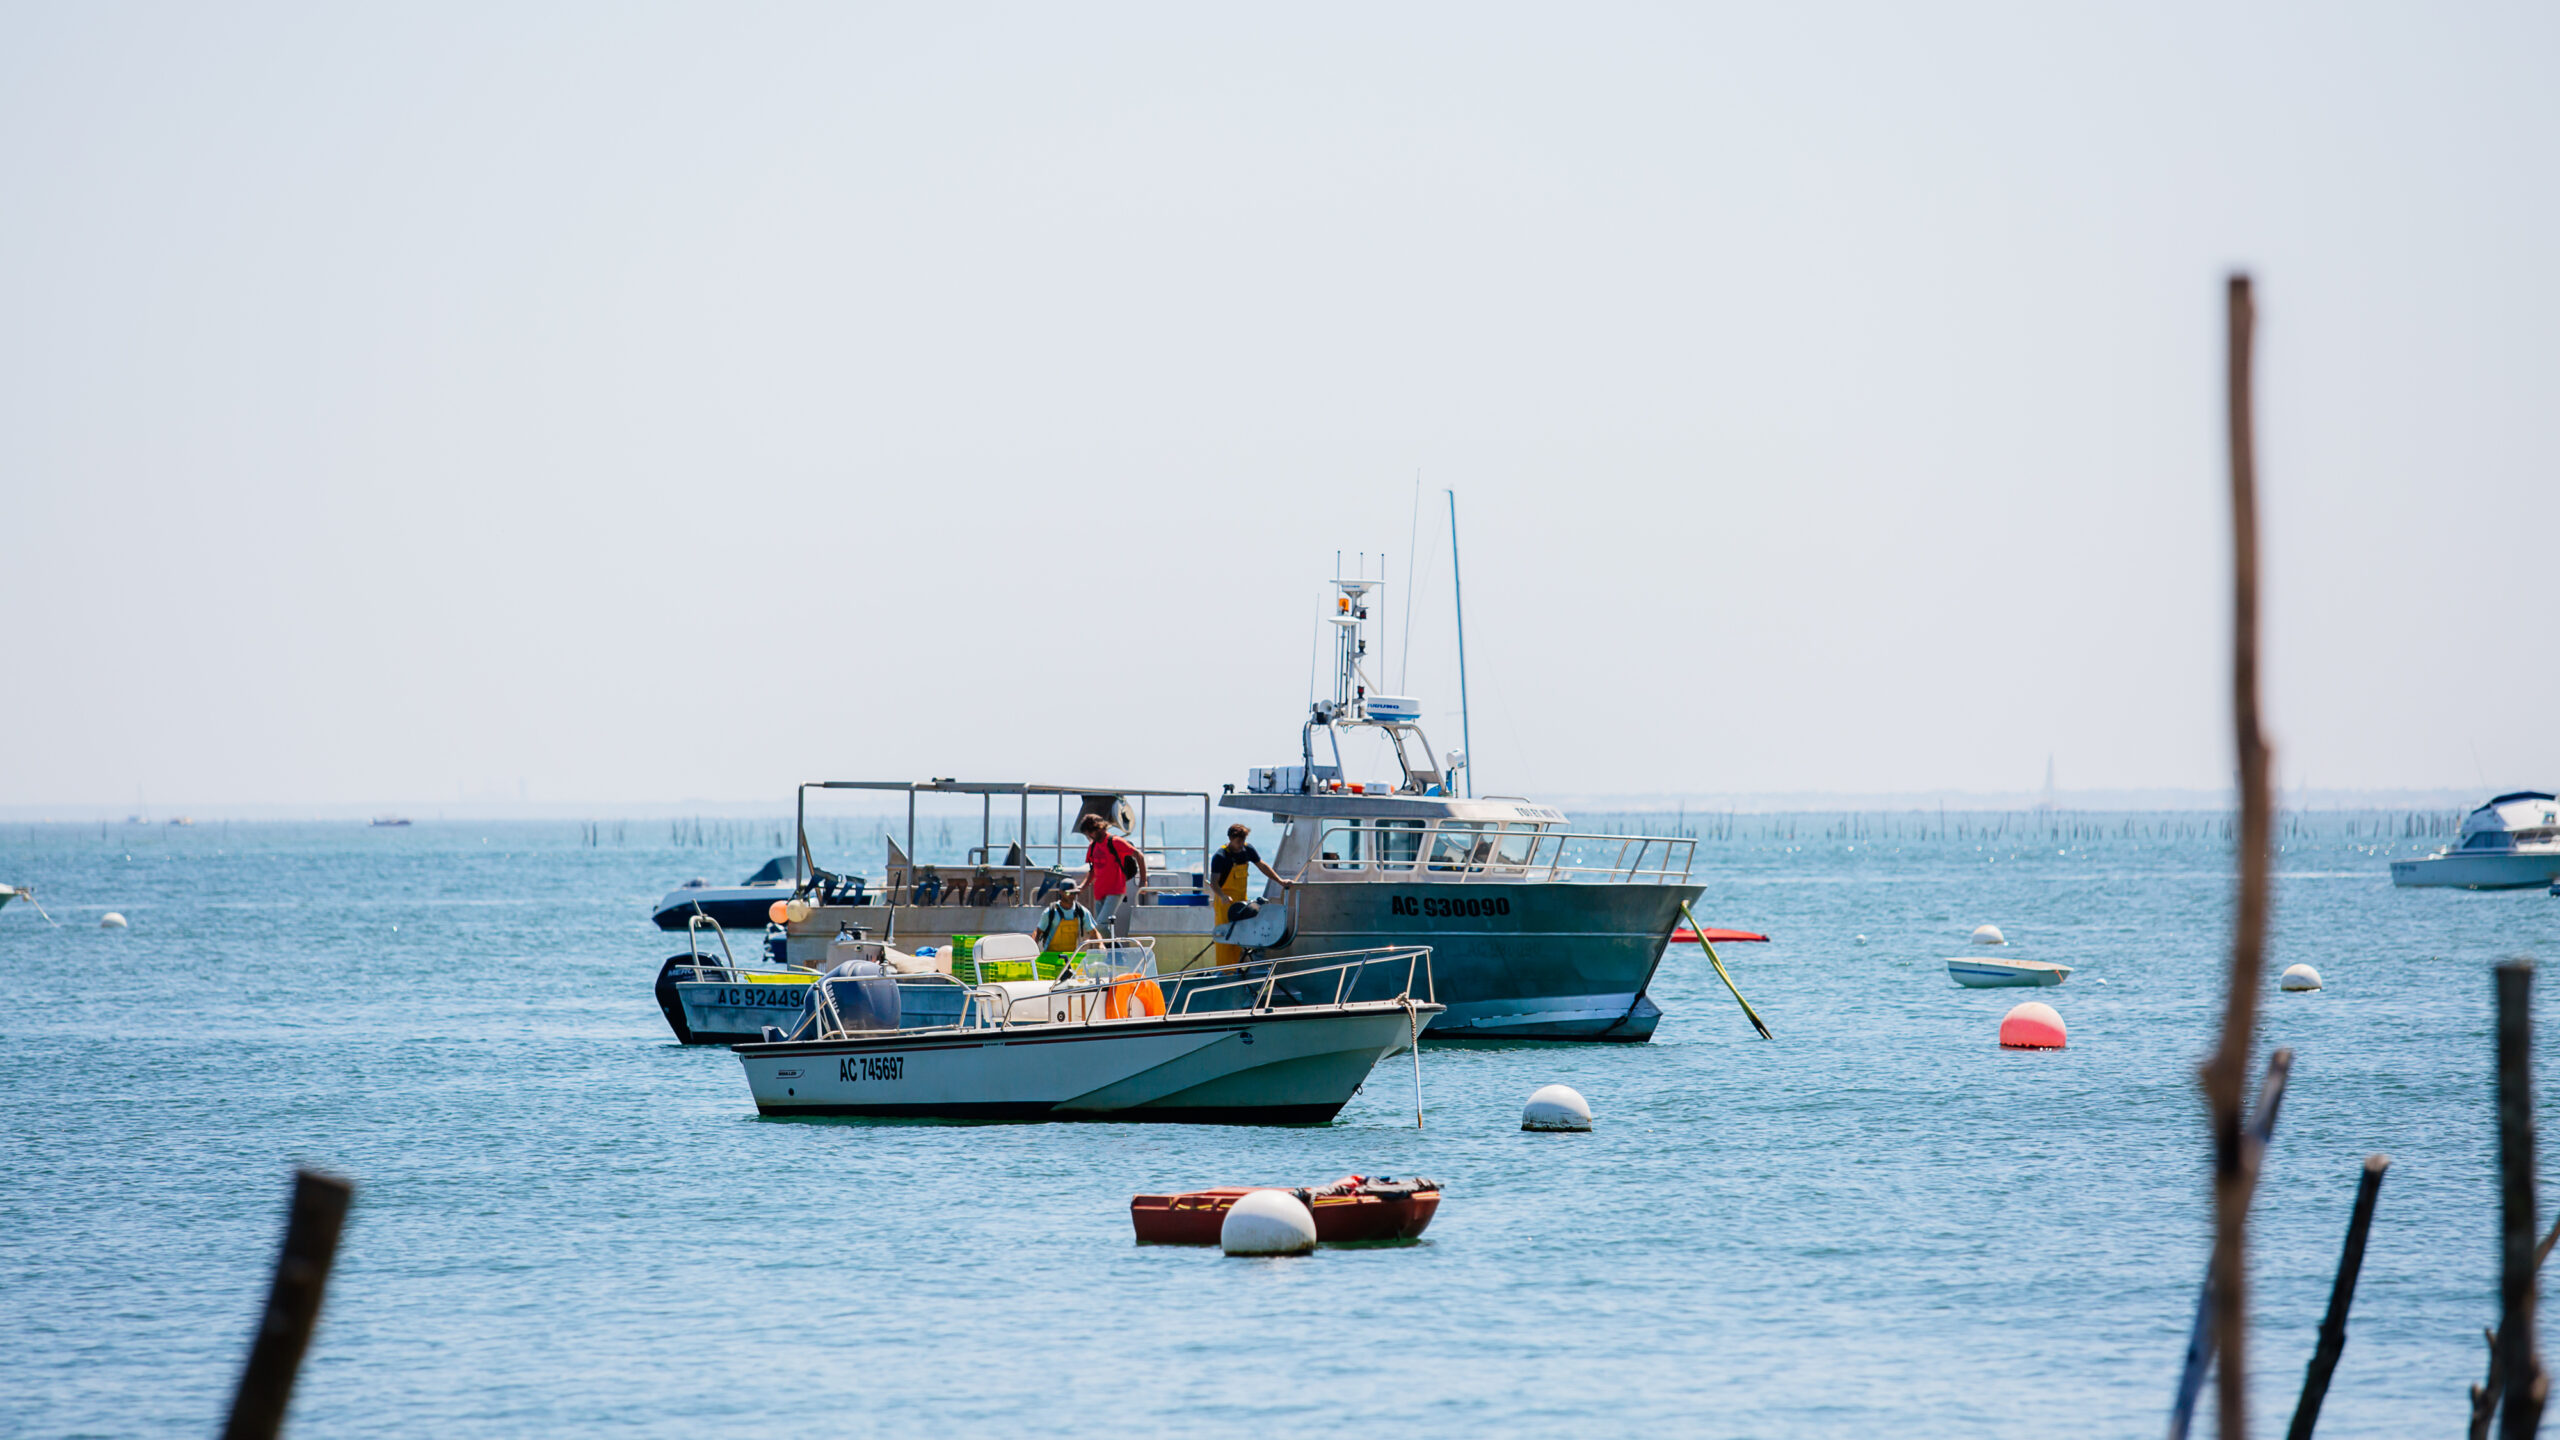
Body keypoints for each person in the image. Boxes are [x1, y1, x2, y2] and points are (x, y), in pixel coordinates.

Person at [1210, 822, 1292, 967]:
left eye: (1243, 840)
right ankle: (1224, 971)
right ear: (1230, 839)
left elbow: (1262, 866)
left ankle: (1238, 969)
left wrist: (1280, 881)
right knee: (1226, 938)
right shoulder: (1220, 856)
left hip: (1242, 902)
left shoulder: (1247, 850)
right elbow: (1214, 882)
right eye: (1238, 841)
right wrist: (1222, 896)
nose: (1241, 844)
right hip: (1225, 903)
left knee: (1242, 936)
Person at [1074, 813, 1146, 938]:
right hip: (1100, 892)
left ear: (1097, 829)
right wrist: (1082, 887)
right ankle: (1112, 955)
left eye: (1089, 833)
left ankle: (1118, 951)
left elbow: (1139, 855)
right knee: (1101, 928)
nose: (1089, 837)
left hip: (1115, 890)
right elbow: (1092, 871)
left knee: (1100, 926)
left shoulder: (1115, 842)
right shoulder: (1092, 847)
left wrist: (1143, 880)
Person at [1035, 891, 1098, 958]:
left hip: (1071, 958)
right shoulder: (1051, 912)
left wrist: (1101, 945)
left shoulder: (1081, 911)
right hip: (1051, 957)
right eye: (1068, 893)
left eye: (1074, 893)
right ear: (1061, 892)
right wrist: (1031, 950)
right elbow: (1037, 932)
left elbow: (1094, 932)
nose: (1071, 896)